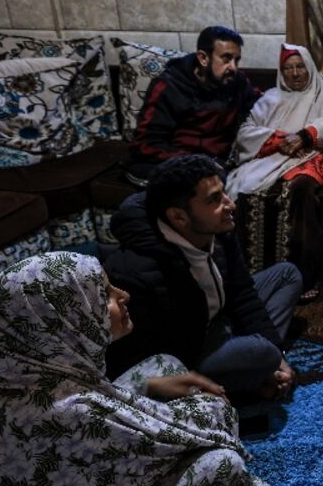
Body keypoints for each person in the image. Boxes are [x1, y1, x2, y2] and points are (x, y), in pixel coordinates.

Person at [0, 252, 279, 486]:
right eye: (105, 296)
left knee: (161, 365)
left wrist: (150, 392)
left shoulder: (13, 378)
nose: (123, 297)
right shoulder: (71, 411)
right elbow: (187, 431)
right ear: (62, 320)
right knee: (222, 466)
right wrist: (216, 406)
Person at [100, 154, 301, 397]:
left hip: (217, 319)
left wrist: (279, 358)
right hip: (186, 354)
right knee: (262, 353)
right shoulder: (138, 270)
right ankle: (233, 387)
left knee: (286, 275)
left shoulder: (217, 229)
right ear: (178, 217)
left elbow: (243, 293)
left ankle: (259, 371)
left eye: (224, 193)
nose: (230, 205)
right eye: (214, 199)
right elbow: (133, 358)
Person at [226, 44, 323, 292]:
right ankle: (254, 278)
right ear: (281, 72)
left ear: (309, 67)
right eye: (288, 68)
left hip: (310, 157)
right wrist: (279, 141)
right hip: (270, 158)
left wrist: (306, 135)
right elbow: (246, 133)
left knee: (298, 190)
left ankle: (302, 278)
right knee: (247, 191)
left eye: (300, 66)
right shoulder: (270, 99)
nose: (296, 73)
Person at [125, 25, 261, 186]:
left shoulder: (237, 83)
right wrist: (195, 163)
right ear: (203, 58)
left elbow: (261, 106)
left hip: (217, 163)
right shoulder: (170, 87)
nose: (233, 67)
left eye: (236, 60)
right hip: (176, 162)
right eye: (226, 58)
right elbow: (146, 144)